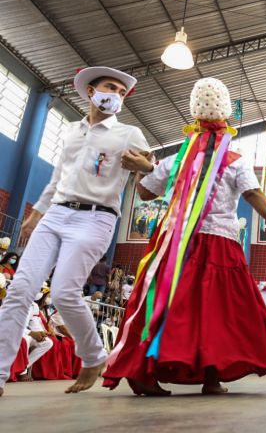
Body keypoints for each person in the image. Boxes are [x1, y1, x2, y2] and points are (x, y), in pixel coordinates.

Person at [102, 77, 266, 396]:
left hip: (175, 245)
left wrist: (144, 168)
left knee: (170, 306)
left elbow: (146, 193)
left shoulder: (177, 158)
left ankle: (147, 370)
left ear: (194, 114)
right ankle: (211, 375)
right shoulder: (235, 159)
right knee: (217, 311)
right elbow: (254, 194)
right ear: (228, 114)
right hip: (219, 245)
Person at [0, 66, 153, 398]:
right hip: (56, 213)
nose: (115, 94)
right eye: (109, 87)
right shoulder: (71, 130)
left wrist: (147, 167)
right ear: (91, 91)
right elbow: (58, 179)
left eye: (121, 92)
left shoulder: (129, 133)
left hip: (97, 217)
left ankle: (94, 355)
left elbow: (150, 181)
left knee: (64, 292)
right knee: (19, 290)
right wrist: (37, 213)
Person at [18, 287, 55, 381]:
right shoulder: (17, 303)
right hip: (15, 331)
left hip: (26, 331)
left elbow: (33, 322)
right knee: (26, 339)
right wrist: (31, 333)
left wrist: (41, 333)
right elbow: (14, 325)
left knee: (47, 342)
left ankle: (23, 367)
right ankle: (22, 373)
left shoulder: (34, 305)